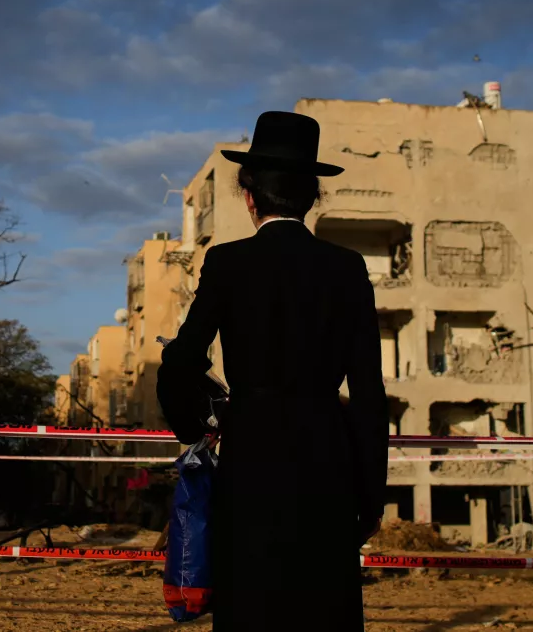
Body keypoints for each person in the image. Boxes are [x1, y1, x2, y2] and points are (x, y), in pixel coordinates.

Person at [158, 111, 389, 631]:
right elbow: (369, 393)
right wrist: (370, 494)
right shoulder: (347, 267)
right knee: (323, 613)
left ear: (249, 196)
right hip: (329, 466)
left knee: (252, 607)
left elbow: (180, 361)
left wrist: (195, 431)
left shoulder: (227, 262)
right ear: (312, 197)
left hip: (251, 461)